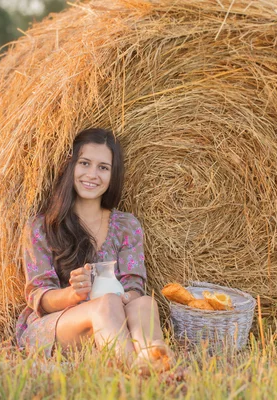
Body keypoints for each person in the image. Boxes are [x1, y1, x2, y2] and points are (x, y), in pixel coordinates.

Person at [15, 128, 173, 371]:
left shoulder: (127, 225)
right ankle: (135, 368)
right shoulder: (42, 227)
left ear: (113, 174)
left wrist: (124, 297)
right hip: (57, 325)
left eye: (103, 167)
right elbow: (39, 297)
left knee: (144, 304)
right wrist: (74, 294)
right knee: (106, 303)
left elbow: (134, 288)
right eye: (85, 163)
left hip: (114, 317)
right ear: (71, 167)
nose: (92, 174)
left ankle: (154, 356)